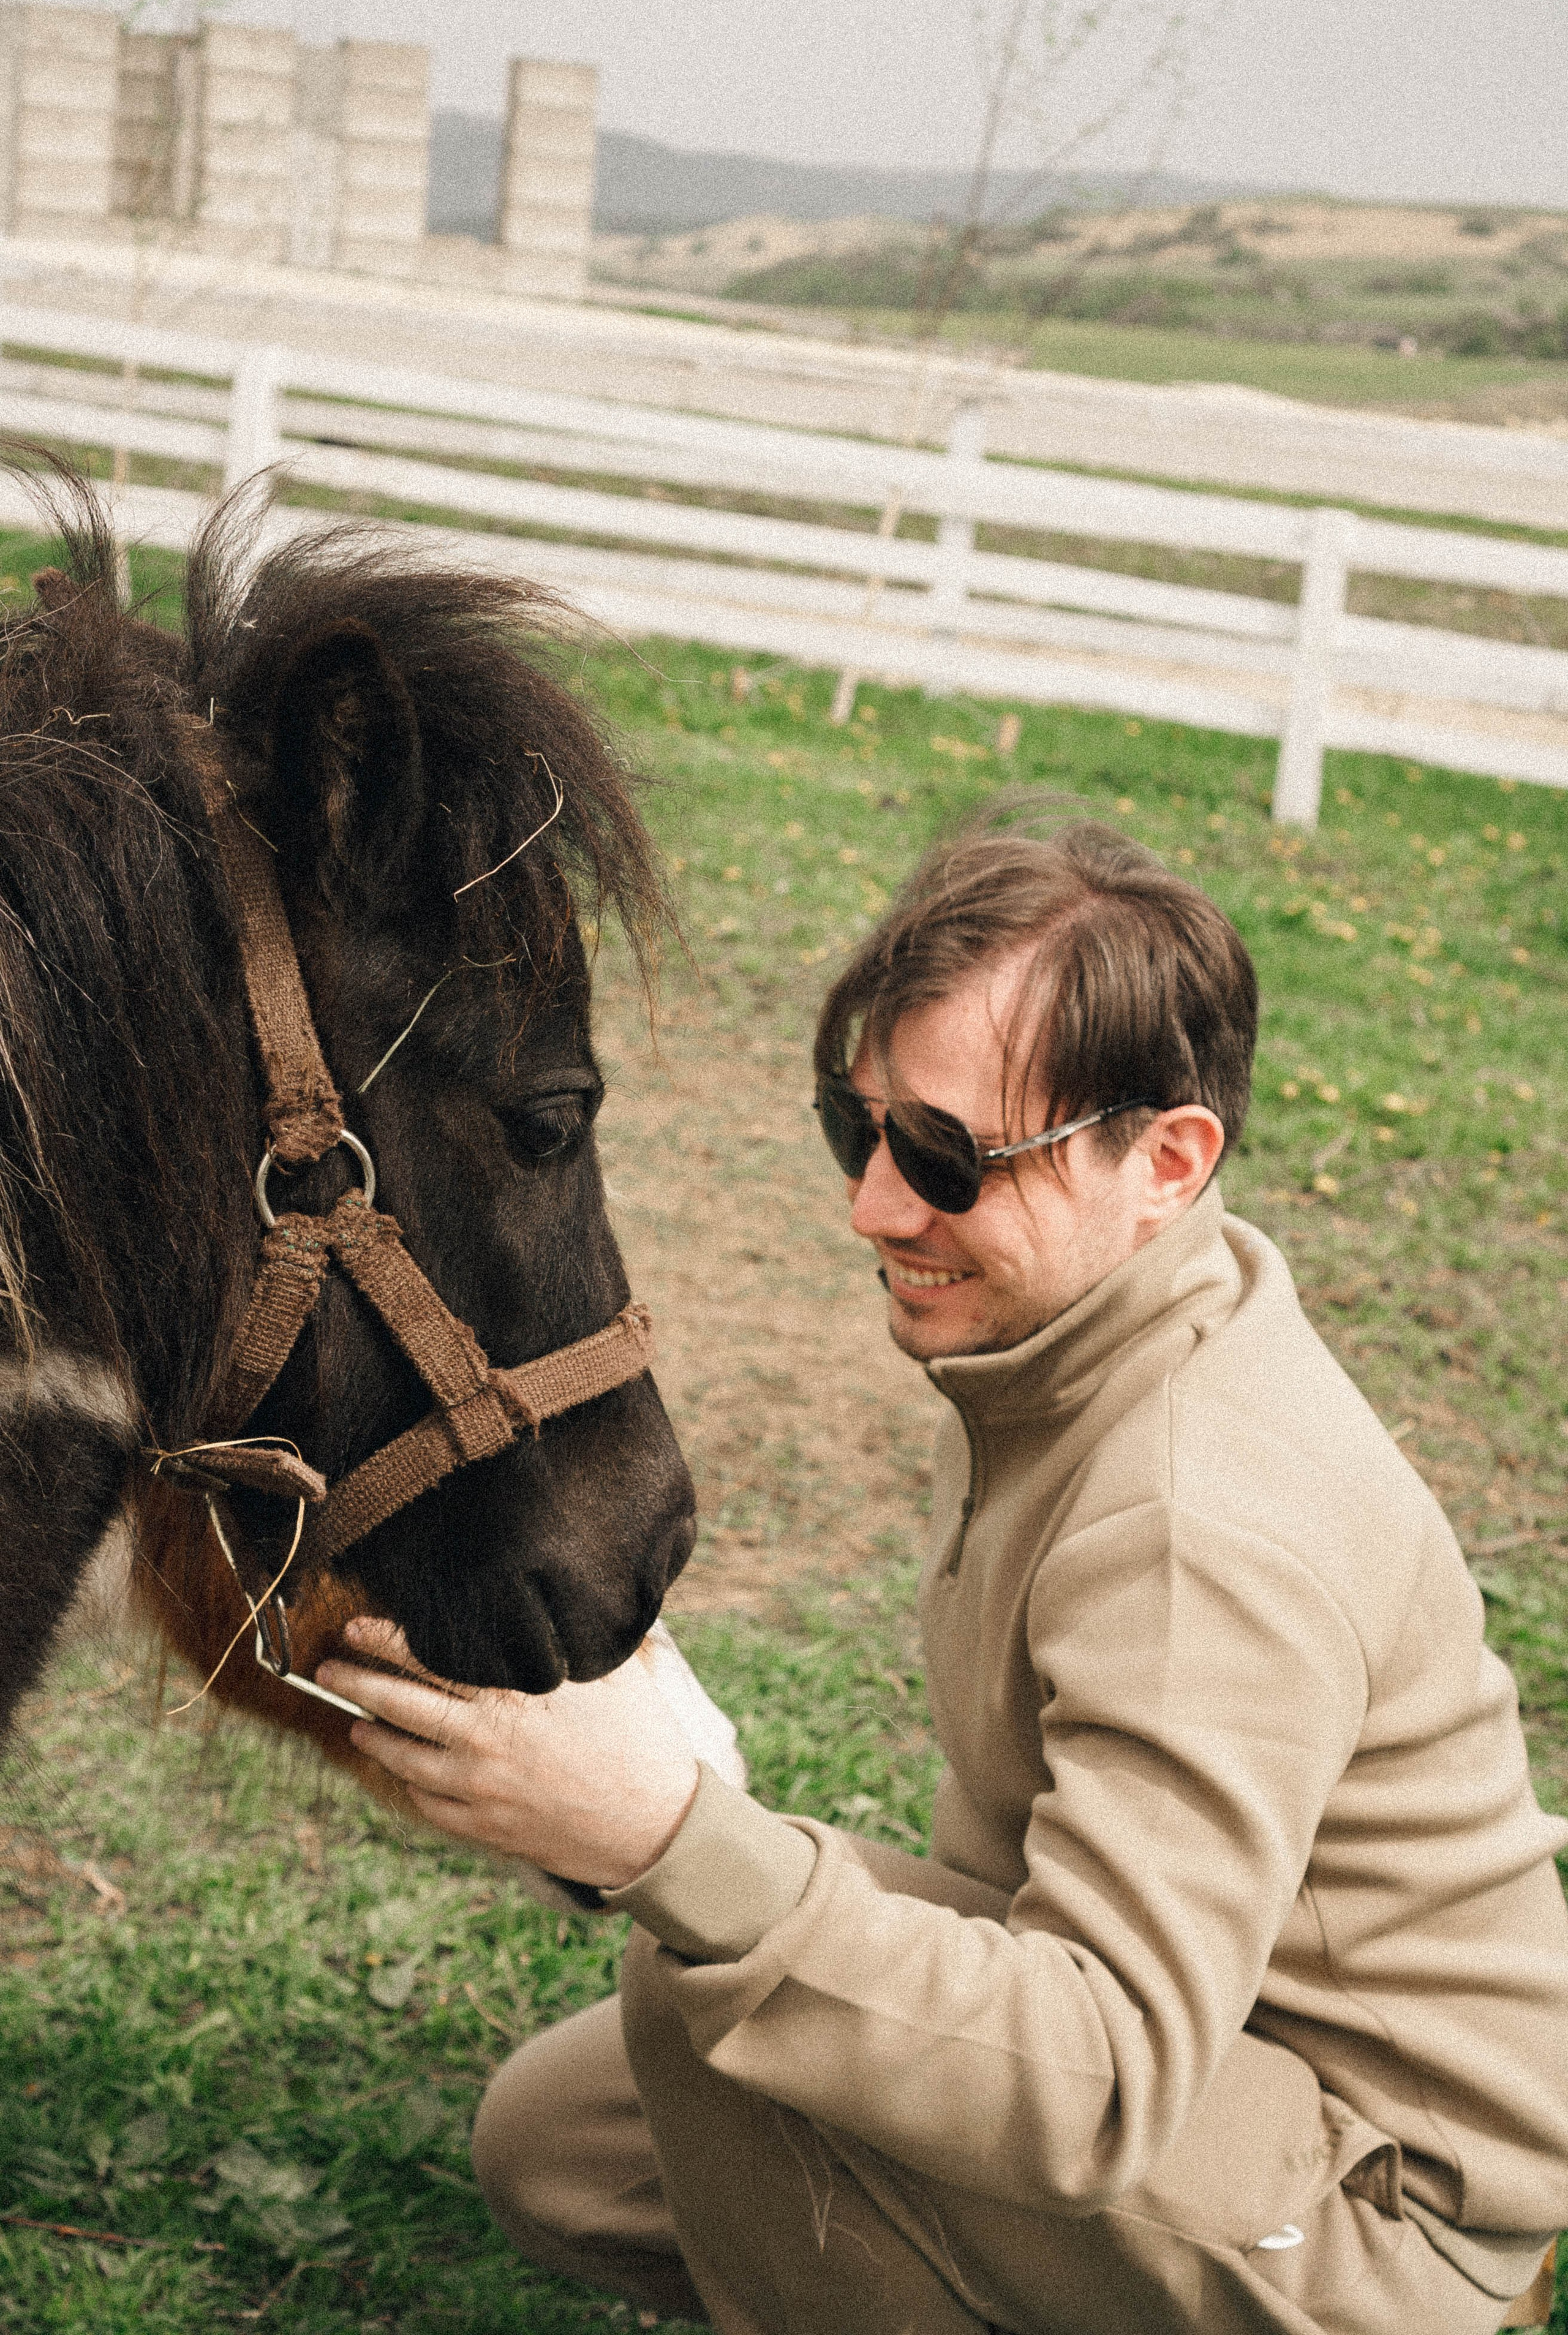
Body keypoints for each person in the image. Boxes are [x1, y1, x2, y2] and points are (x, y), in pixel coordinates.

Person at [319, 816, 1568, 2335]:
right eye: (857, 1131)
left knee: (712, 1976)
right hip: (1217, 2056)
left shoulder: (1199, 1527)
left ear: (1165, 1162)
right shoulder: (1070, 1338)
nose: (874, 1207)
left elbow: (1101, 2085)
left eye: (943, 1156)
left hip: (1384, 2206)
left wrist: (665, 1835)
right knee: (567, 2150)